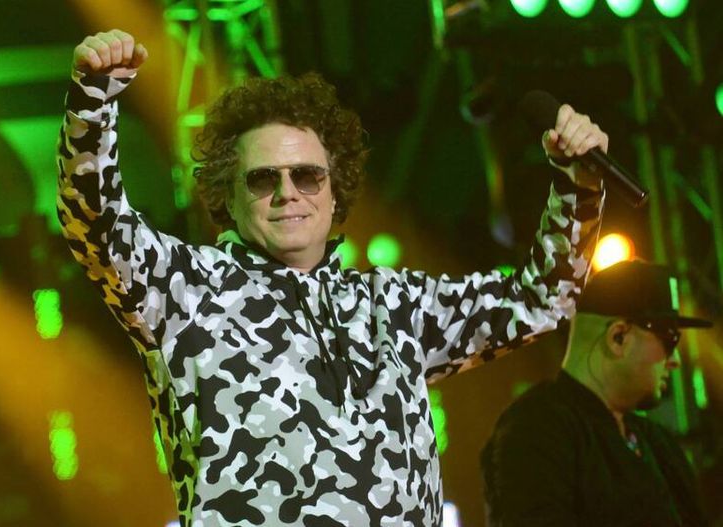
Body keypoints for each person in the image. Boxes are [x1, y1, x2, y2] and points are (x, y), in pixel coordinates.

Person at [57, 29, 607, 526]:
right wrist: (93, 102)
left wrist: (577, 184)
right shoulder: (187, 290)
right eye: (263, 179)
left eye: (307, 176)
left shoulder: (393, 303)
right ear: (226, 194)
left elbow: (540, 300)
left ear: (334, 189)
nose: (288, 193)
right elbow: (95, 221)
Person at [480, 260, 712, 527]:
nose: (675, 361)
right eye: (670, 339)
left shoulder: (658, 442)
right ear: (618, 337)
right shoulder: (536, 430)